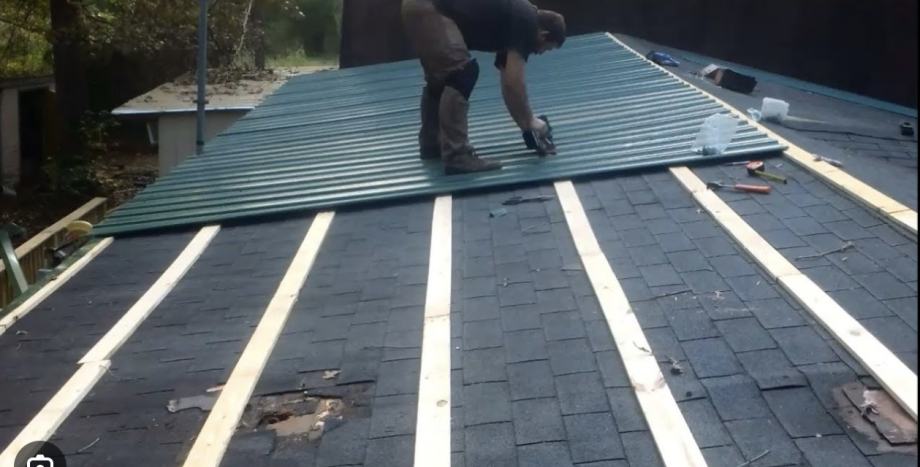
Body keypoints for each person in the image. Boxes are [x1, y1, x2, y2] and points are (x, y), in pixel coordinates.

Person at [402, 0, 566, 174]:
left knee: (442, 77)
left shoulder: (514, 20)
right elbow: (513, 84)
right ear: (543, 35)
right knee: (462, 74)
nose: (539, 53)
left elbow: (509, 86)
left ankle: (432, 142)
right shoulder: (526, 22)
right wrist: (531, 121)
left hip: (417, 6)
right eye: (545, 49)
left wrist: (527, 125)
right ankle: (457, 155)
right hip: (431, 8)